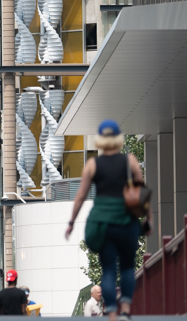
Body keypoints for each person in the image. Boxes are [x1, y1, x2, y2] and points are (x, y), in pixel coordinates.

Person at [64, 120, 153, 321]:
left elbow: (80, 196)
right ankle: (126, 311)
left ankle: (112, 312)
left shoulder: (92, 165)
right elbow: (142, 192)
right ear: (119, 139)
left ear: (100, 140)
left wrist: (71, 222)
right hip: (126, 222)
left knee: (109, 270)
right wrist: (149, 219)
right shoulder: (129, 161)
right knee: (128, 267)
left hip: (103, 224)